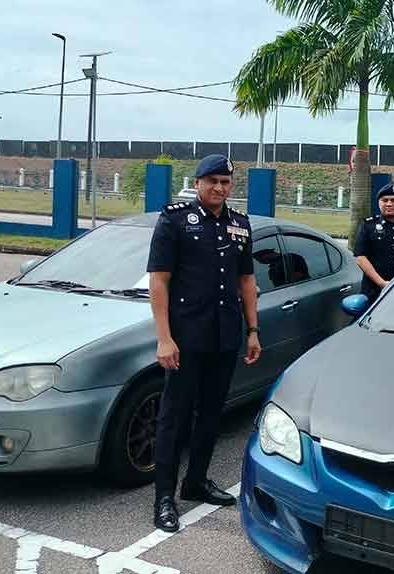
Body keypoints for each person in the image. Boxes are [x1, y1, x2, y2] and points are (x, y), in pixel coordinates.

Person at [146, 154, 262, 532]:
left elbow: (247, 281)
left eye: (225, 182)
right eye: (211, 180)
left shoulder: (240, 225)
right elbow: (159, 281)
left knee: (211, 414)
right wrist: (164, 338)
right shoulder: (175, 219)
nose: (219, 188)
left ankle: (195, 482)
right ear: (196, 183)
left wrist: (252, 331)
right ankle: (164, 497)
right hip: (185, 336)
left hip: (224, 335)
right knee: (173, 418)